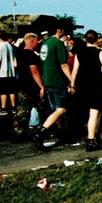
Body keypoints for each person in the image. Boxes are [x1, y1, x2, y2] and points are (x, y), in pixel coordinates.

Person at [32, 23, 75, 152]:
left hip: (47, 79)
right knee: (62, 109)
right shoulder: (57, 43)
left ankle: (61, 133)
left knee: (55, 109)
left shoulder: (45, 43)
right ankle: (41, 132)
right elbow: (64, 65)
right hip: (57, 80)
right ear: (58, 30)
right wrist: (72, 80)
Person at [13, 33, 45, 140]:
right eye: (36, 41)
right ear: (32, 41)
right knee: (42, 107)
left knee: (21, 110)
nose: (38, 43)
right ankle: (45, 128)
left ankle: (18, 132)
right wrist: (41, 86)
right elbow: (34, 72)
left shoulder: (19, 53)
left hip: (22, 84)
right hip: (32, 85)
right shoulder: (31, 55)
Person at [0, 31, 17, 116]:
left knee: (3, 91)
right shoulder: (9, 45)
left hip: (2, 72)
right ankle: (13, 108)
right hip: (11, 72)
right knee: (11, 90)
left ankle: (3, 109)